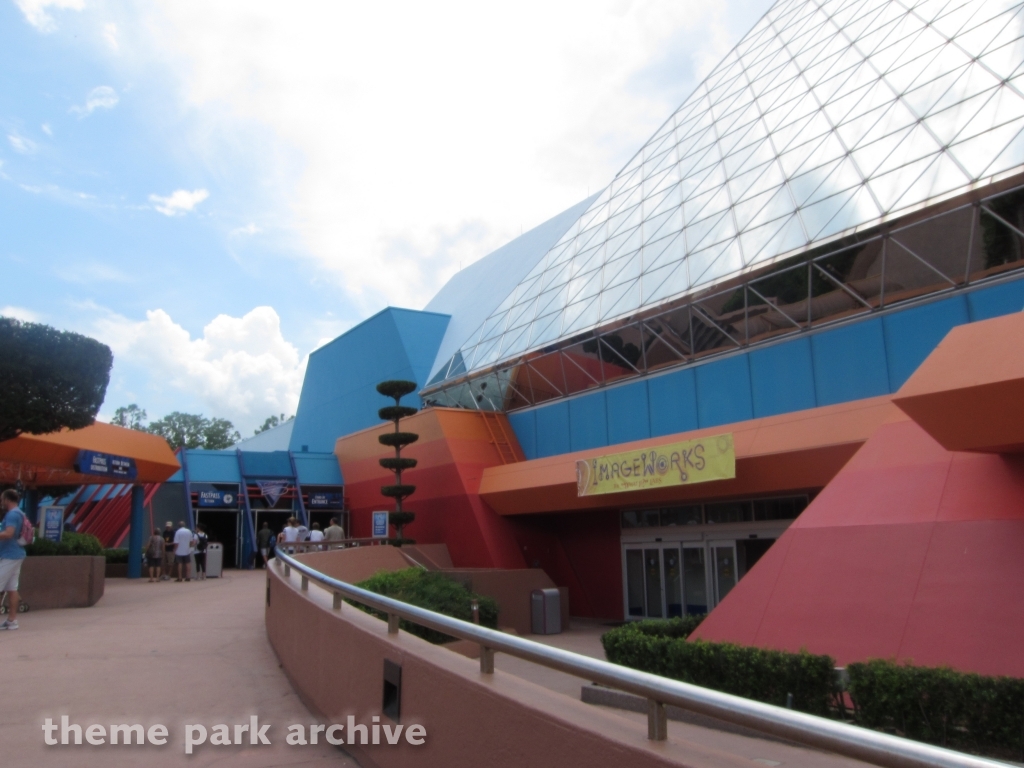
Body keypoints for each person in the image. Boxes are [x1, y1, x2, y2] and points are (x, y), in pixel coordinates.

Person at [0, 489, 27, 630]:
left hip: (10, 555)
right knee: (12, 588)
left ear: (7, 500)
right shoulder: (20, 513)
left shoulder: (12, 514)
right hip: (16, 554)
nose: (1, 503)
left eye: (1, 499)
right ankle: (12, 620)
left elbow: (9, 533)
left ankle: (12, 620)